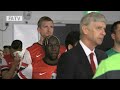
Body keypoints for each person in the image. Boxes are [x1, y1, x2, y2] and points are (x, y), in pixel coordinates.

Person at [56, 12, 108, 79]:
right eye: (99, 28)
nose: (104, 33)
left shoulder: (103, 56)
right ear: (85, 30)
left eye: (104, 29)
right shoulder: (68, 58)